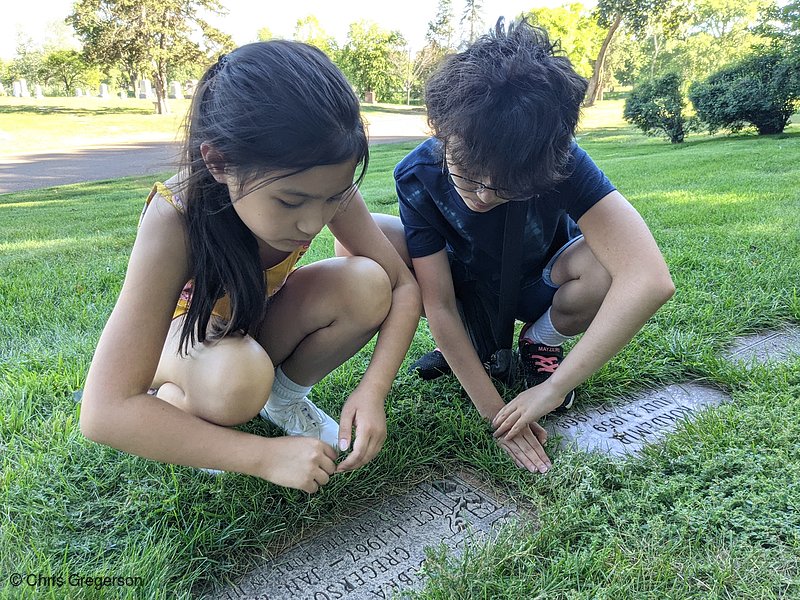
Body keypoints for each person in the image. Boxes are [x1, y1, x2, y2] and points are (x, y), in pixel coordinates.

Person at [79, 41, 421, 494]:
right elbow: (104, 411)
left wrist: (373, 389)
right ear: (218, 162)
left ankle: (283, 399)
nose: (313, 221)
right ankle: (180, 401)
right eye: (290, 201)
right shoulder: (175, 219)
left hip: (254, 319)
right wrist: (261, 457)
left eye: (333, 197)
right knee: (238, 380)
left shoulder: (320, 180)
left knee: (368, 284)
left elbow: (402, 287)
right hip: (188, 337)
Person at [339, 19, 675, 474]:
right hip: (465, 284)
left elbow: (649, 279)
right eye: (467, 172)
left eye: (508, 187)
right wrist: (496, 414)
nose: (483, 194)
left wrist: (552, 388)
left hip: (540, 283)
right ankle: (476, 344)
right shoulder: (416, 175)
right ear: (439, 129)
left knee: (604, 263)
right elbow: (437, 303)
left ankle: (540, 339)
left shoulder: (560, 157)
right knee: (358, 249)